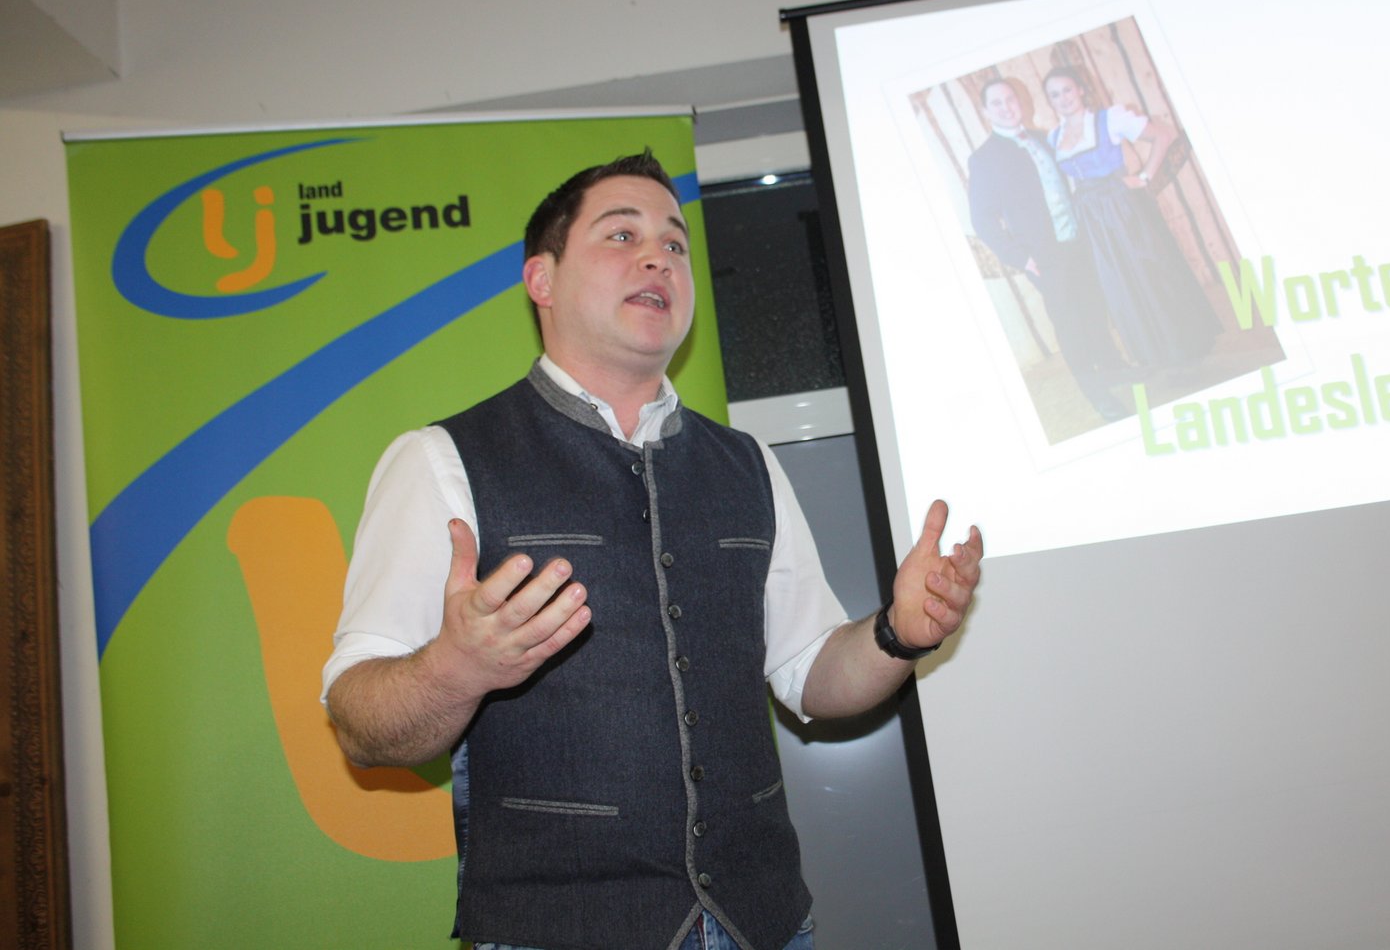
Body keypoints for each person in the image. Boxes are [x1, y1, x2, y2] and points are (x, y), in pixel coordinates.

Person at [322, 151, 982, 950]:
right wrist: (455, 668)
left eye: (674, 243)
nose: (657, 257)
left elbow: (811, 672)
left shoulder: (748, 464)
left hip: (765, 923)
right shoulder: (441, 461)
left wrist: (898, 634)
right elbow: (359, 722)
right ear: (541, 279)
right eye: (621, 235)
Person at [967, 77, 1131, 421]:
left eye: (1010, 99)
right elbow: (983, 219)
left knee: (1093, 309)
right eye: (996, 103)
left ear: (1021, 101)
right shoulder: (984, 159)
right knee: (1070, 324)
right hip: (1042, 257)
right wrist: (1020, 258)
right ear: (985, 112)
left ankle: (1114, 368)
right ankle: (1096, 393)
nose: (1006, 107)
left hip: (1077, 241)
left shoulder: (1045, 139)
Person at [1043, 66, 1220, 369]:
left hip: (1123, 209)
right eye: (1055, 95)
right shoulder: (1054, 137)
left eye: (1068, 90)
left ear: (1081, 90)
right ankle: (1155, 355)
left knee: (1150, 274)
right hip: (1091, 217)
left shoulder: (1109, 119)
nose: (1063, 99)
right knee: (1120, 284)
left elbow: (1163, 135)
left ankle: (1184, 350)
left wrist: (1144, 176)